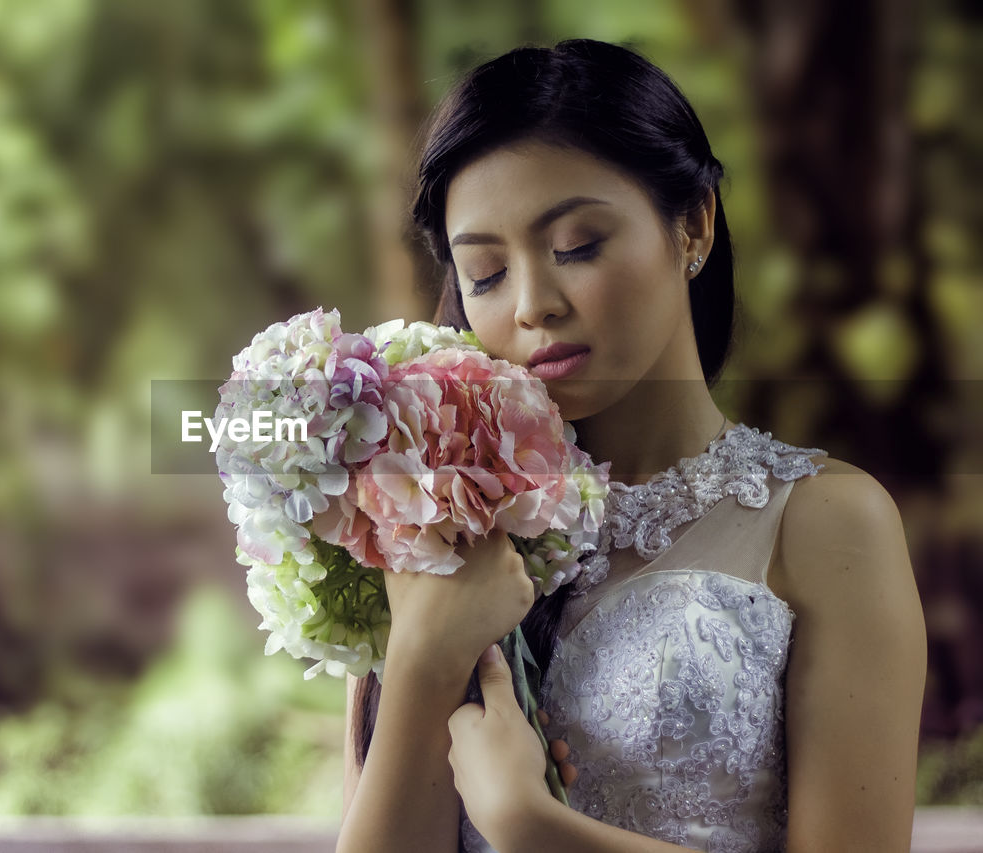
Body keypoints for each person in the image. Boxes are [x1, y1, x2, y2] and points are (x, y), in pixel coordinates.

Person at [335, 40, 926, 853]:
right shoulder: (437, 524)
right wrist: (421, 663)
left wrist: (529, 823)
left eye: (576, 246)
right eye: (486, 273)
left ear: (694, 226)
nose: (535, 304)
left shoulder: (828, 523)